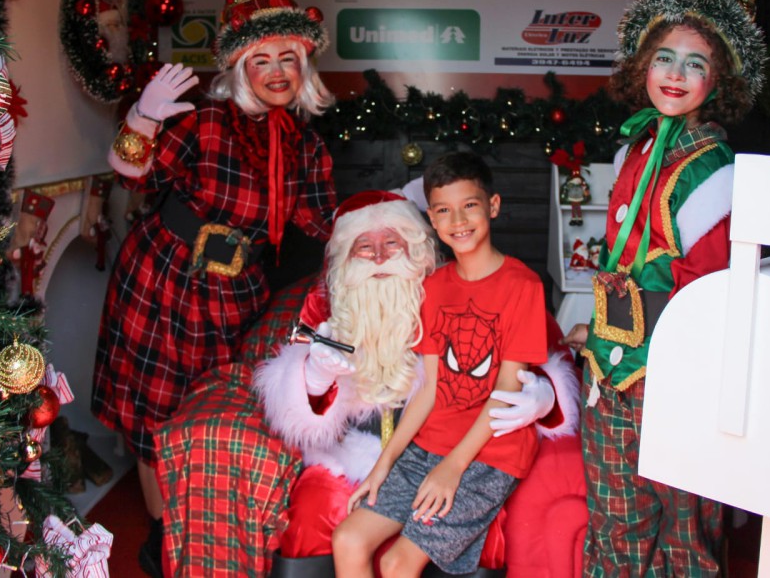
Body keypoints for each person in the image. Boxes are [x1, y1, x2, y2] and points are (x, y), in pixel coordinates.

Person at [91, 0, 337, 577]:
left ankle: (203, 523)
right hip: (164, 278)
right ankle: (164, 536)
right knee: (156, 413)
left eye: (288, 58)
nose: (278, 72)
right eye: (263, 61)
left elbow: (322, 226)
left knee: (213, 411)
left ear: (305, 67)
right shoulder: (204, 124)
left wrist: (383, 236)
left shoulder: (308, 148)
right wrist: (144, 118)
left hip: (235, 293)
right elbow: (127, 170)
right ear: (239, 69)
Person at [155, 188, 579, 578]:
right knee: (321, 513)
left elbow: (535, 349)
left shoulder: (458, 289)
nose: (378, 257)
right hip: (350, 457)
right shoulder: (326, 307)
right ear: (346, 259)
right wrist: (318, 376)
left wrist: (544, 396)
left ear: (415, 249)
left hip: (443, 453)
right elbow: (297, 407)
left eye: (391, 243)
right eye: (364, 246)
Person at [562, 0, 767, 576]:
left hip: (676, 380)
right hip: (610, 370)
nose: (676, 74)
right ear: (642, 67)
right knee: (616, 525)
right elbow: (617, 262)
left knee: (685, 537)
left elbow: (710, 292)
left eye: (696, 64)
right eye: (664, 58)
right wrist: (596, 332)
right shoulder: (636, 147)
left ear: (719, 80)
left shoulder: (714, 171)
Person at [332, 152, 556, 577]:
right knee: (348, 539)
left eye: (469, 205)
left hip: (491, 454)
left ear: (493, 206)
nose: (458, 220)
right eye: (443, 210)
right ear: (432, 220)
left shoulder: (523, 285)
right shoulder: (434, 287)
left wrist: (452, 467)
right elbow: (430, 389)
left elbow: (508, 391)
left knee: (397, 563)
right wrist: (384, 464)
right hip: (428, 445)